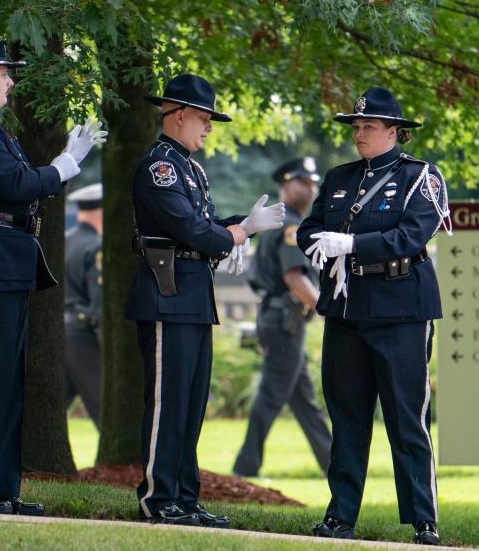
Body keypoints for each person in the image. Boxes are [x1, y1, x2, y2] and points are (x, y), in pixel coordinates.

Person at [0, 29, 105, 515]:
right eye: (5, 74)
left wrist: (55, 168)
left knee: (6, 383)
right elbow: (15, 183)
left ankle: (0, 487)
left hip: (1, 262)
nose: (11, 83)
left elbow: (20, 185)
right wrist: (66, 166)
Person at [127, 73, 285, 527]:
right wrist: (240, 233)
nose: (209, 127)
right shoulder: (160, 166)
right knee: (167, 402)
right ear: (178, 116)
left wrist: (243, 222)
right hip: (166, 290)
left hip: (192, 292)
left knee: (191, 403)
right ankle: (159, 498)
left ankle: (185, 496)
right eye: (203, 118)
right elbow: (193, 230)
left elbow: (208, 222)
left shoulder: (190, 168)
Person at [297, 87, 450, 546]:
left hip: (400, 305)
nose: (359, 133)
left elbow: (410, 235)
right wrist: (324, 249)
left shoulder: (421, 177)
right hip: (347, 305)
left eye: (369, 126)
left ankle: (424, 518)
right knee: (347, 417)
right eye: (356, 126)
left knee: (406, 417)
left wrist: (353, 245)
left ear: (395, 132)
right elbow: (308, 230)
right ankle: (340, 515)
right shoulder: (339, 176)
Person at [232, 157, 332, 478]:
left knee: (303, 401)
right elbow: (295, 278)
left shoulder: (278, 222)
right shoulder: (290, 224)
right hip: (284, 321)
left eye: (313, 182)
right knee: (271, 397)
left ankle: (335, 465)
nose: (311, 188)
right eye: (304, 182)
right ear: (286, 185)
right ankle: (245, 468)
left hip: (278, 319)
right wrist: (325, 309)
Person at [65, 182, 103, 426]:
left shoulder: (63, 241)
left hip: (56, 335)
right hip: (83, 337)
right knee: (107, 411)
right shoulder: (96, 247)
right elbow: (99, 304)